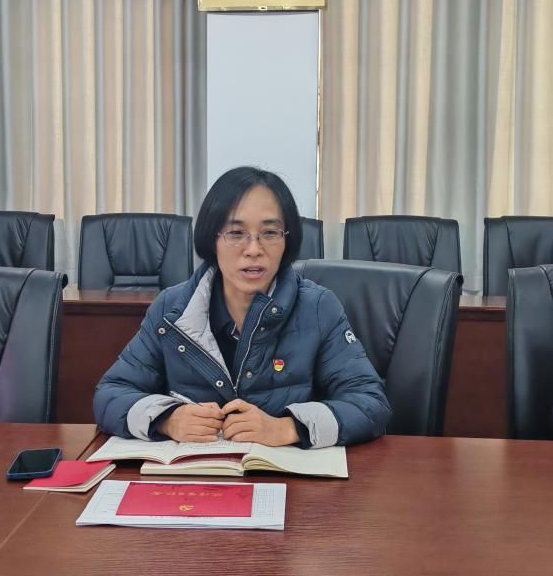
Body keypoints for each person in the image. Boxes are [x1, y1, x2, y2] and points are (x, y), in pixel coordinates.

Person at [94, 167, 391, 448]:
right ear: (212, 239)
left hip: (284, 476)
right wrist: (167, 419)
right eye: (236, 233)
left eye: (270, 233)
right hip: (197, 476)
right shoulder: (172, 310)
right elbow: (110, 394)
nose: (253, 249)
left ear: (287, 241)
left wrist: (286, 428)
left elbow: (370, 404)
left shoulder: (317, 308)